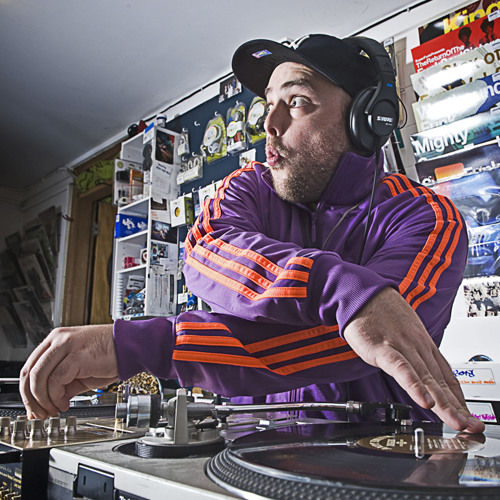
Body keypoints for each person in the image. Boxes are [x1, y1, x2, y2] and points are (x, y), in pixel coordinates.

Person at [20, 34, 484, 434]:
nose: (269, 124)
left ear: (366, 121)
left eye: (297, 101)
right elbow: (206, 252)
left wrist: (141, 346)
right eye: (268, 103)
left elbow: (353, 345)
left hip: (384, 465)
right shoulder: (246, 187)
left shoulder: (428, 219)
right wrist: (344, 291)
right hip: (246, 458)